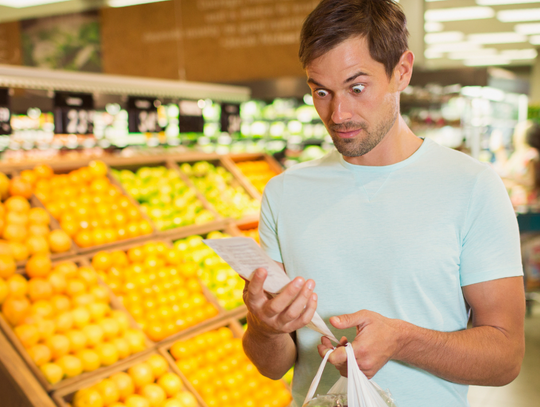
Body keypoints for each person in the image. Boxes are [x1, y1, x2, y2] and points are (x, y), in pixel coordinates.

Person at [241, 1, 525, 406]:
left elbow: (506, 358)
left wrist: (403, 341)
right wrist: (265, 328)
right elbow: (272, 365)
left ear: (402, 71)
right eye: (321, 91)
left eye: (357, 88)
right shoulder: (284, 193)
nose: (338, 113)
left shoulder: (472, 186)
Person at [494, 120, 540, 208]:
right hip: (518, 204)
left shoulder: (531, 154)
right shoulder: (519, 154)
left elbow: (530, 182)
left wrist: (510, 177)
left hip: (528, 205)